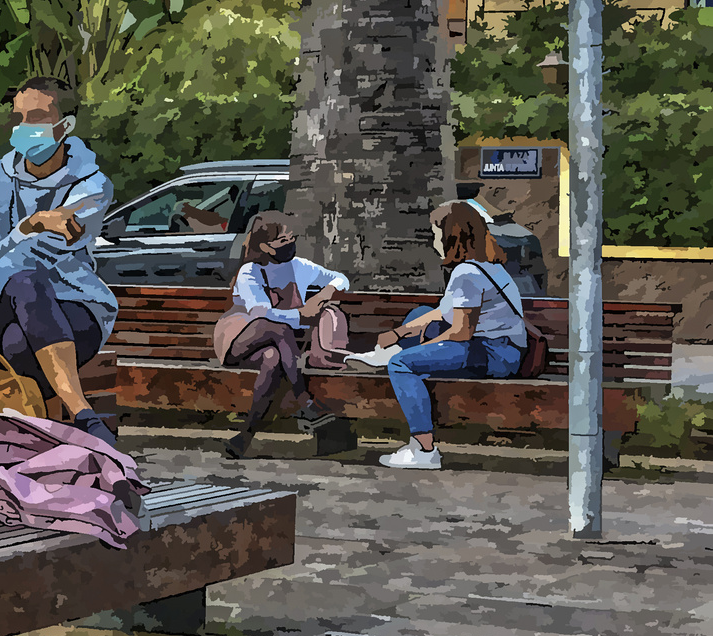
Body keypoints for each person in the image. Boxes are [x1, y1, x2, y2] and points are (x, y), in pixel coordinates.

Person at [0, 77, 118, 447]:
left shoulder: (93, 185)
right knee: (25, 284)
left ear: (66, 125)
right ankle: (83, 416)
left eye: (39, 117)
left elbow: (46, 251)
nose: (27, 128)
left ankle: (27, 448)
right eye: (19, 118)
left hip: (75, 304)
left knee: (17, 336)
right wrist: (33, 222)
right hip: (3, 305)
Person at [367, 201, 528, 470]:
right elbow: (439, 314)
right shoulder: (486, 265)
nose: (433, 240)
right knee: (418, 313)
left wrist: (409, 352)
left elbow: (462, 332)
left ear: (450, 234)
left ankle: (423, 449)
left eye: (434, 233)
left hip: (495, 355)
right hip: (500, 348)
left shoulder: (466, 273)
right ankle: (384, 356)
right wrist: (397, 334)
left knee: (401, 364)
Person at [217, 212, 346, 460]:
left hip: (273, 346)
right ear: (265, 246)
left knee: (272, 358)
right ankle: (303, 401)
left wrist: (323, 293)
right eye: (282, 241)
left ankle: (245, 436)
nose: (290, 244)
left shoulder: (300, 266)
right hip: (238, 338)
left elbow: (341, 279)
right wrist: (302, 313)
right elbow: (259, 313)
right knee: (278, 327)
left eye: (292, 238)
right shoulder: (250, 272)